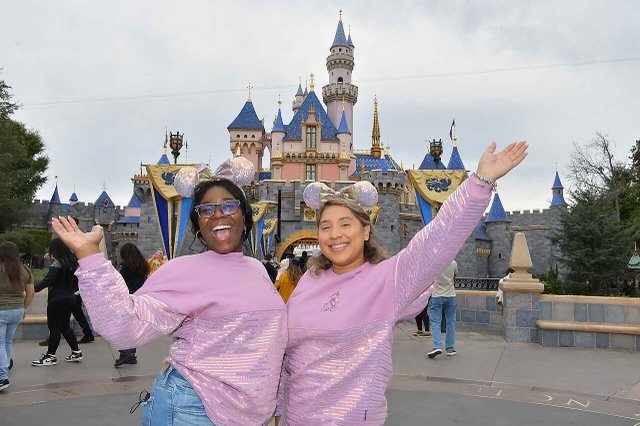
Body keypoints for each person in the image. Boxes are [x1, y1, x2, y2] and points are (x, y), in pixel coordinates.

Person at [276, 141, 527, 424]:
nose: (335, 234)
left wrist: (479, 184)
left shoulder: (386, 281)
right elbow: (288, 360)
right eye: (326, 226)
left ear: (366, 231)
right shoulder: (310, 280)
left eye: (345, 224)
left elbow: (434, 241)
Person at [51, 159, 287, 425]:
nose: (218, 214)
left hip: (247, 416)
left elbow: (271, 344)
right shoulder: (186, 270)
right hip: (194, 410)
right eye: (206, 210)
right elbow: (123, 327)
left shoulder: (255, 269)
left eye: (229, 205)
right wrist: (89, 255)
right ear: (199, 225)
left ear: (245, 215)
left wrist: (276, 403)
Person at [32, 238, 84, 366]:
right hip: (70, 298)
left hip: (57, 299)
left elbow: (48, 280)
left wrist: (33, 289)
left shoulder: (58, 263)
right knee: (65, 327)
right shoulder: (73, 262)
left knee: (54, 328)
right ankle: (76, 351)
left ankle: (50, 356)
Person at [37, 251, 95, 347]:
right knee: (76, 313)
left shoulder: (64, 262)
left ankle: (54, 339)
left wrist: (36, 288)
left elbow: (50, 278)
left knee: (60, 318)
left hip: (71, 292)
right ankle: (87, 334)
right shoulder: (71, 259)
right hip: (74, 292)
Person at [0, 242, 35, 391]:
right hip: (17, 310)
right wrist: (24, 308)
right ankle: (6, 367)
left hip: (1, 310)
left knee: (0, 343)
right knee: (7, 342)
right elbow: (31, 292)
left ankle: (3, 377)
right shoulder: (25, 270)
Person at [114, 242, 149, 367]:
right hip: (138, 298)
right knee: (132, 327)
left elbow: (116, 280)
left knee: (122, 327)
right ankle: (131, 354)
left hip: (125, 298)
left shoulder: (124, 265)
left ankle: (126, 353)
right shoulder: (142, 264)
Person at [427, 260, 458, 358]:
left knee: (436, 321)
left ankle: (437, 346)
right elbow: (455, 275)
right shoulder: (453, 263)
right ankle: (450, 348)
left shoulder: (435, 263)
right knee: (450, 322)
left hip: (437, 296)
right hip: (450, 295)